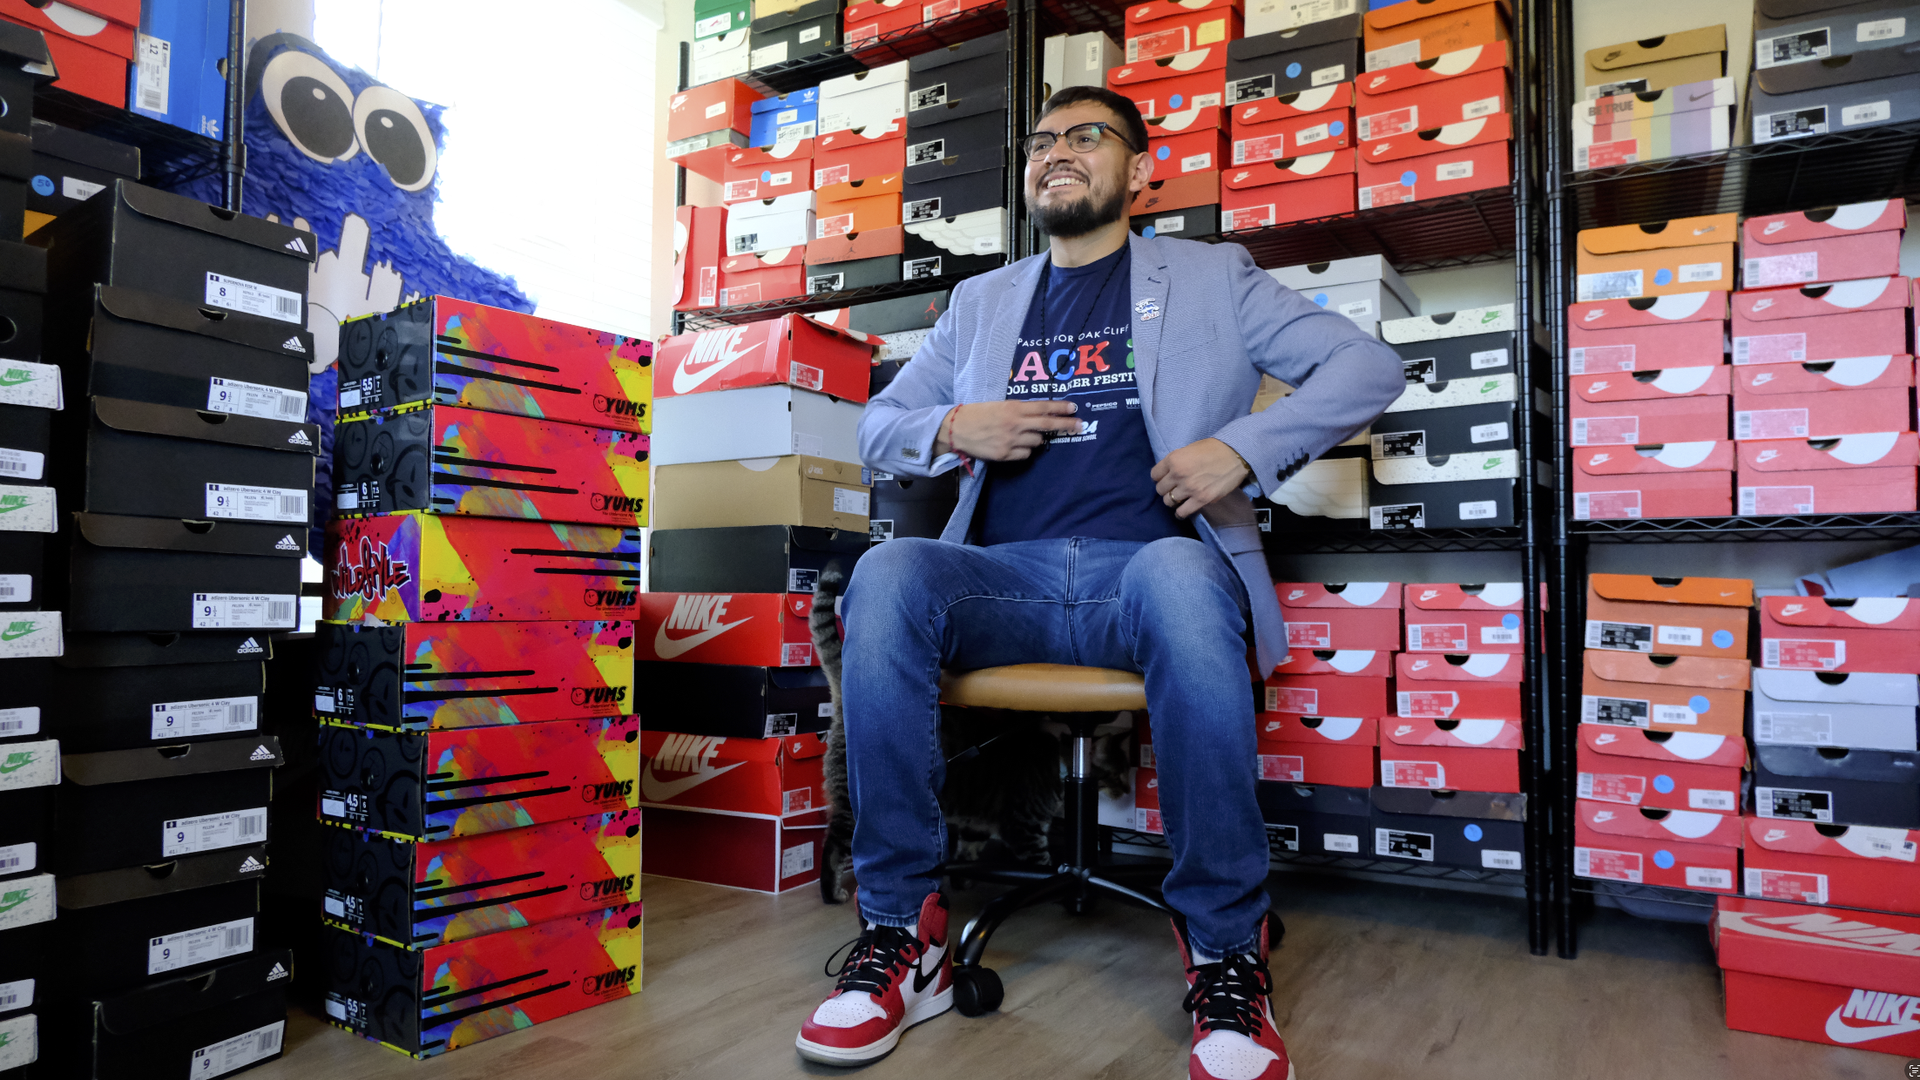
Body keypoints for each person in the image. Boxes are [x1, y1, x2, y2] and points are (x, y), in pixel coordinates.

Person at [795, 85, 1406, 1079]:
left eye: (1088, 135)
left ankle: (1223, 950)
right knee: (890, 570)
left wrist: (1242, 450)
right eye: (1041, 139)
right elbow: (874, 426)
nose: (1057, 151)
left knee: (1174, 568)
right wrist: (951, 427)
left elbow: (1365, 366)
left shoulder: (1214, 277)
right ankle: (904, 934)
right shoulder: (982, 303)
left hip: (1151, 575)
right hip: (1006, 585)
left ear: (1141, 171)